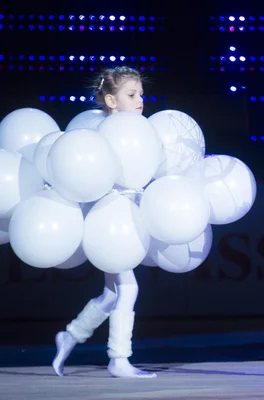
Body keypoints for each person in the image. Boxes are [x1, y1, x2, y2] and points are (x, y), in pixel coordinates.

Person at [52, 66, 156, 378]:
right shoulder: (102, 133)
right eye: (131, 94)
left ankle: (70, 335)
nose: (140, 100)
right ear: (111, 100)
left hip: (125, 216)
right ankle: (118, 358)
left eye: (141, 94)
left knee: (113, 292)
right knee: (128, 288)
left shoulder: (139, 130)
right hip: (108, 217)